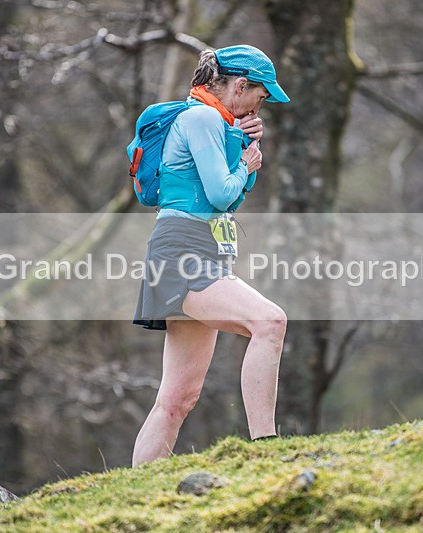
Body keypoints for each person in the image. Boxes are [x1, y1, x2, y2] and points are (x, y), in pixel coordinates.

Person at [131, 44, 290, 466]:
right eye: (262, 94)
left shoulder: (217, 124)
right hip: (184, 249)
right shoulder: (201, 117)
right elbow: (222, 192)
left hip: (199, 249)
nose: (263, 104)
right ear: (240, 85)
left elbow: (224, 200)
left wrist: (241, 150)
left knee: (178, 398)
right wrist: (248, 164)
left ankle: (138, 492)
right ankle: (266, 450)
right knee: (270, 322)